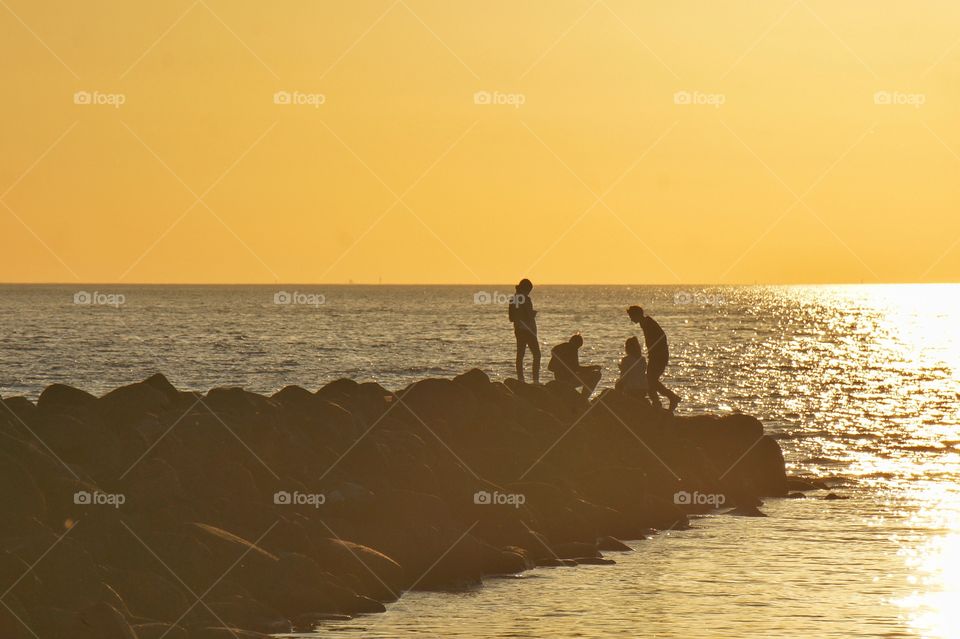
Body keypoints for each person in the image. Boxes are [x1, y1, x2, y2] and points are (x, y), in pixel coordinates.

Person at [627, 305, 681, 411]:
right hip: (656, 356)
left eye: (631, 316)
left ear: (637, 315)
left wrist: (655, 350)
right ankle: (659, 402)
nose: (631, 319)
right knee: (650, 380)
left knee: (650, 380)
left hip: (658, 357)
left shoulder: (648, 323)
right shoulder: (645, 323)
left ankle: (669, 399)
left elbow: (662, 337)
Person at [548, 333, 602, 398]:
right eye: (578, 347)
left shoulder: (560, 348)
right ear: (575, 343)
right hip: (567, 380)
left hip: (561, 379)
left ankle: (582, 398)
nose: (577, 349)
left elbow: (550, 367)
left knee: (590, 374)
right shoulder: (572, 349)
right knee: (596, 375)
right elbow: (576, 368)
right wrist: (593, 367)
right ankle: (583, 398)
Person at [509, 279, 540, 384]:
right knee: (537, 354)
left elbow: (511, 317)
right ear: (526, 289)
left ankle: (520, 379)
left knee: (520, 355)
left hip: (518, 329)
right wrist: (533, 314)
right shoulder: (525, 299)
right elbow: (529, 315)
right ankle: (535, 380)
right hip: (528, 330)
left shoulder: (513, 299)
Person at [616, 336, 649, 401]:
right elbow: (640, 372)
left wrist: (622, 369)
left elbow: (624, 376)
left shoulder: (626, 360)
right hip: (643, 389)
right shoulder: (642, 359)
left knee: (618, 384)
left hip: (631, 390)